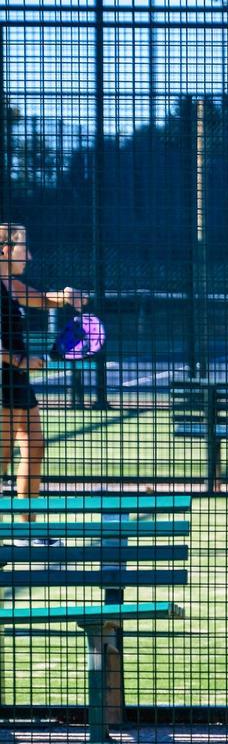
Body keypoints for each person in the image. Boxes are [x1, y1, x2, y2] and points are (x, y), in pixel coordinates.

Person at [0, 222, 88, 531]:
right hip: (3, 380)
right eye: (25, 248)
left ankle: (27, 532)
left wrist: (65, 296)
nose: (31, 256)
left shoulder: (10, 284)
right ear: (5, 250)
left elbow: (40, 298)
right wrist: (21, 360)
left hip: (16, 379)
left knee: (35, 446)